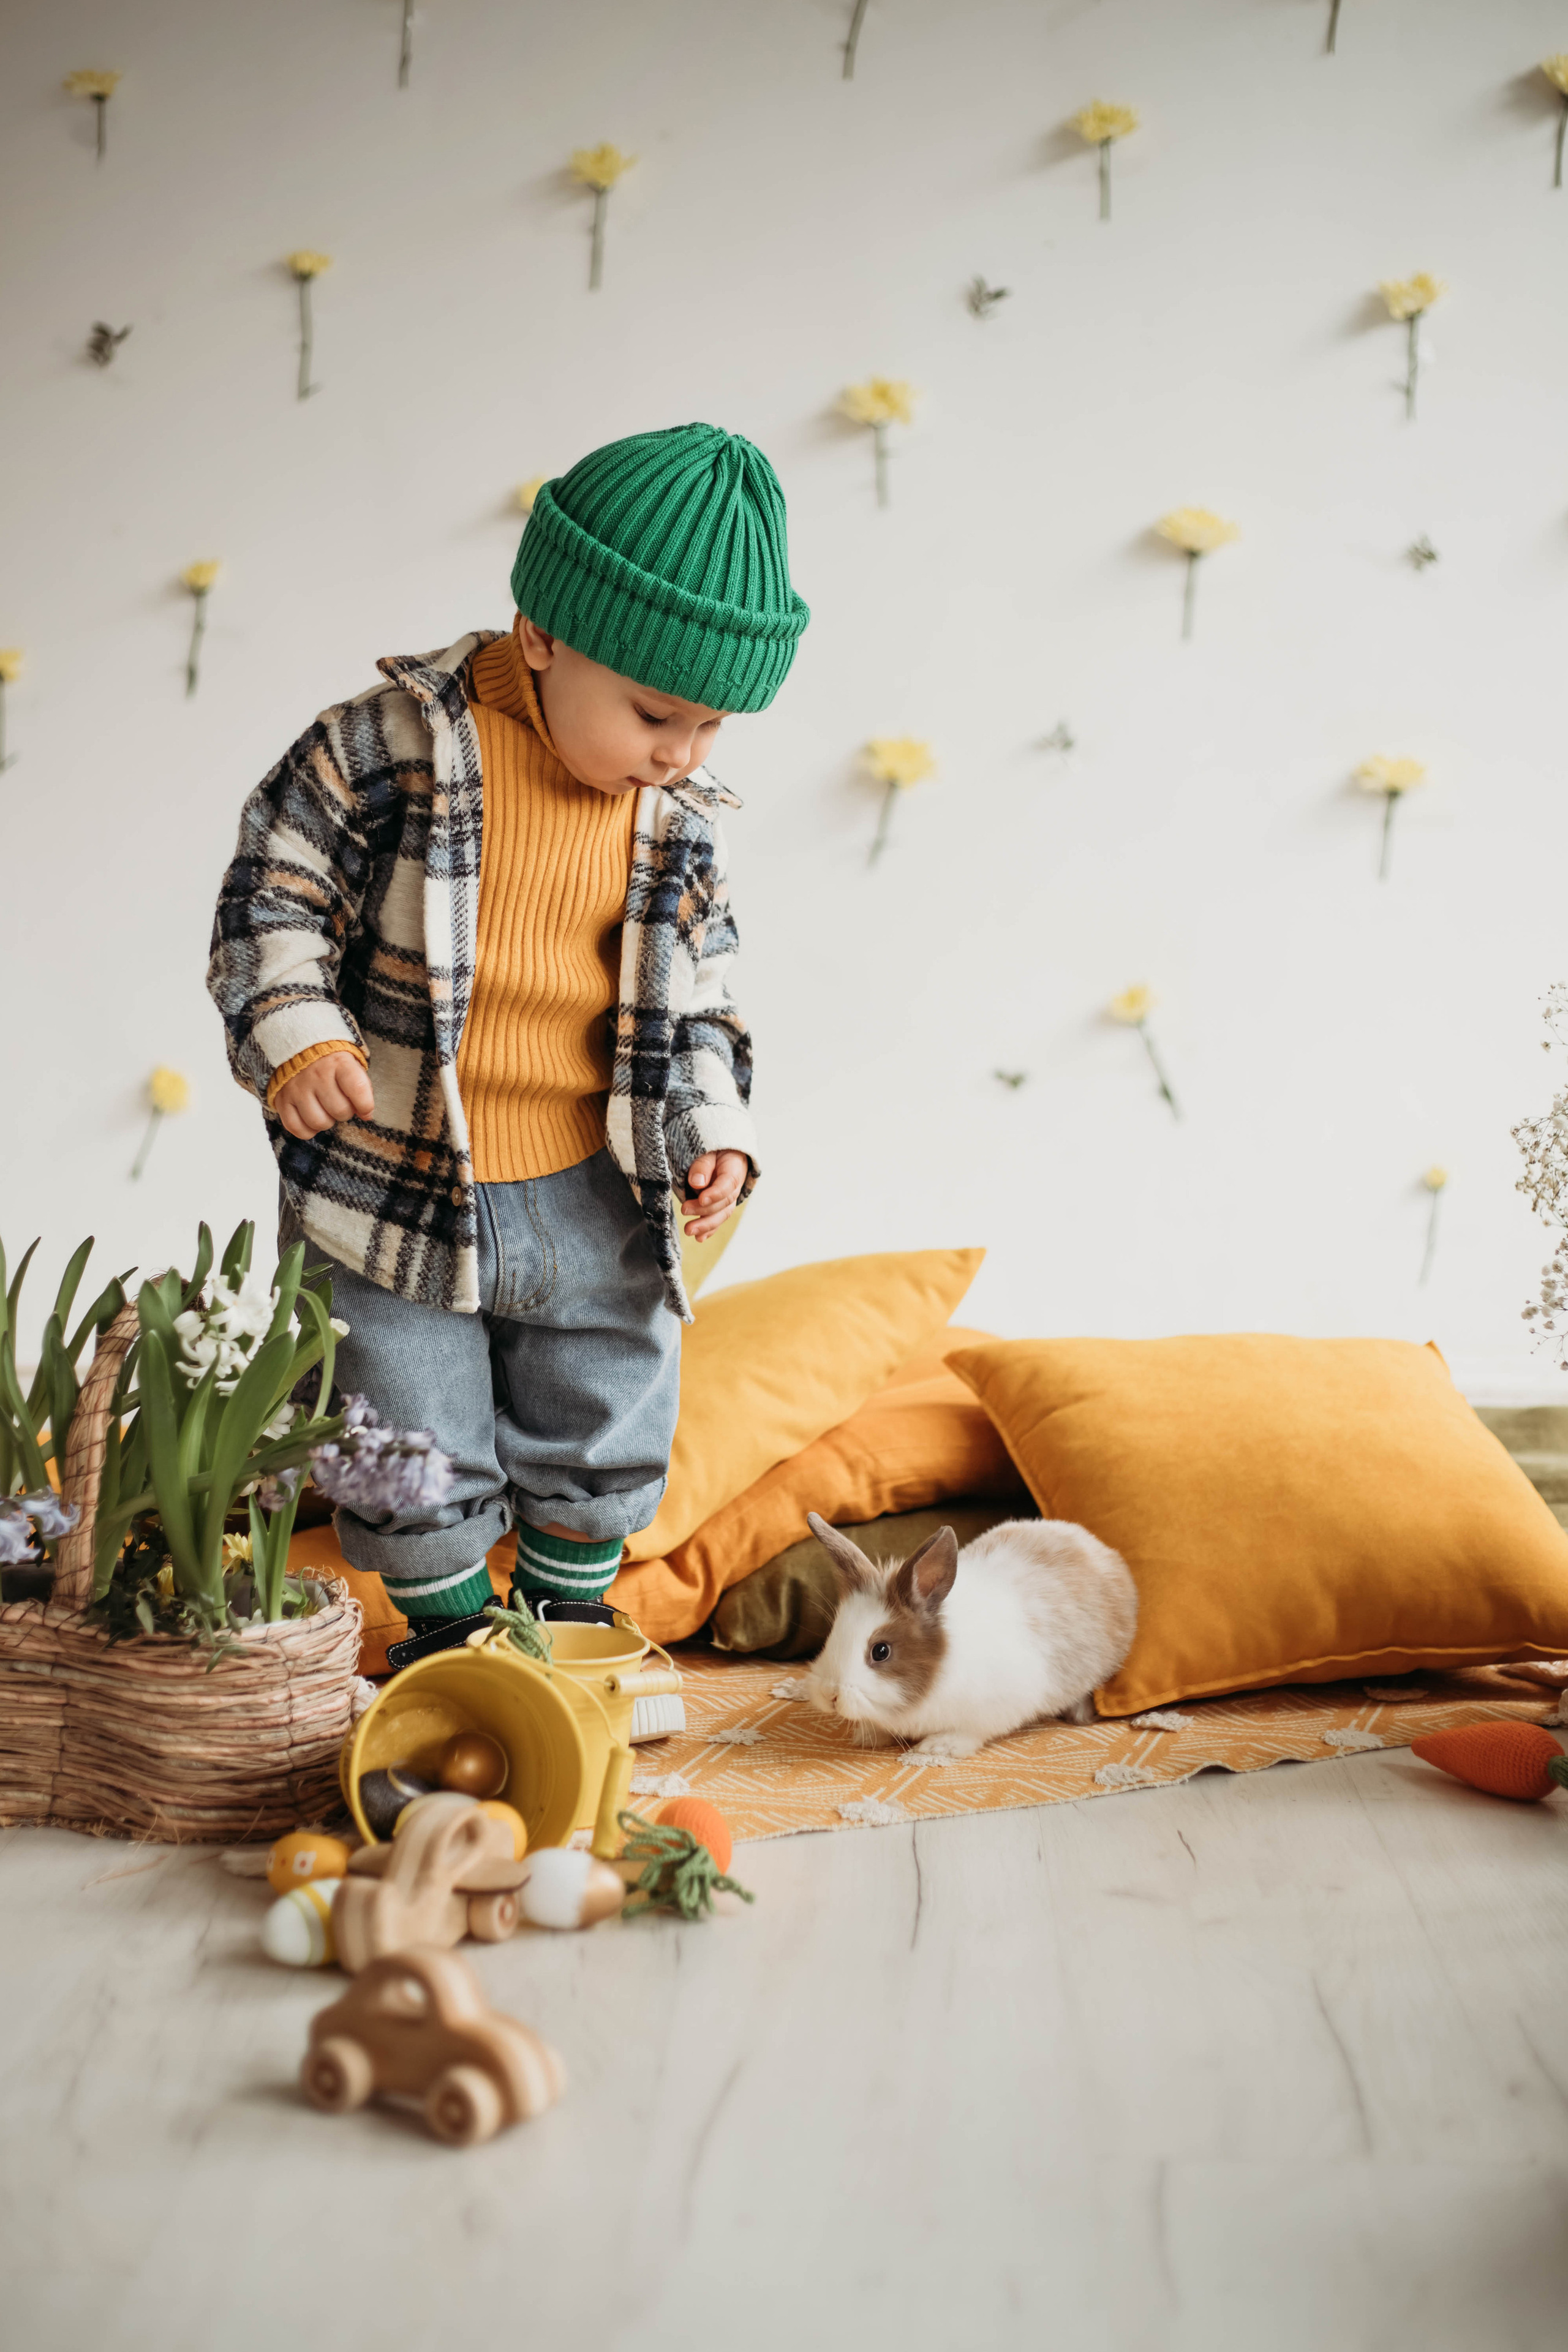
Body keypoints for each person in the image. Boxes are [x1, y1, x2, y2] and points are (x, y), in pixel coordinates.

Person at [207, 422, 809, 1651]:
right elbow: (274, 892)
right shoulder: (385, 748)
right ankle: (450, 1641)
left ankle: (562, 1632)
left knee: (606, 1395)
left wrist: (713, 1133)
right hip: (396, 1170)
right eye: (655, 714)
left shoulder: (677, 820)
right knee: (398, 1413)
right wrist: (301, 1032)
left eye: (710, 729)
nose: (680, 756)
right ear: (540, 636)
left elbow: (701, 995)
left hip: (595, 1174)